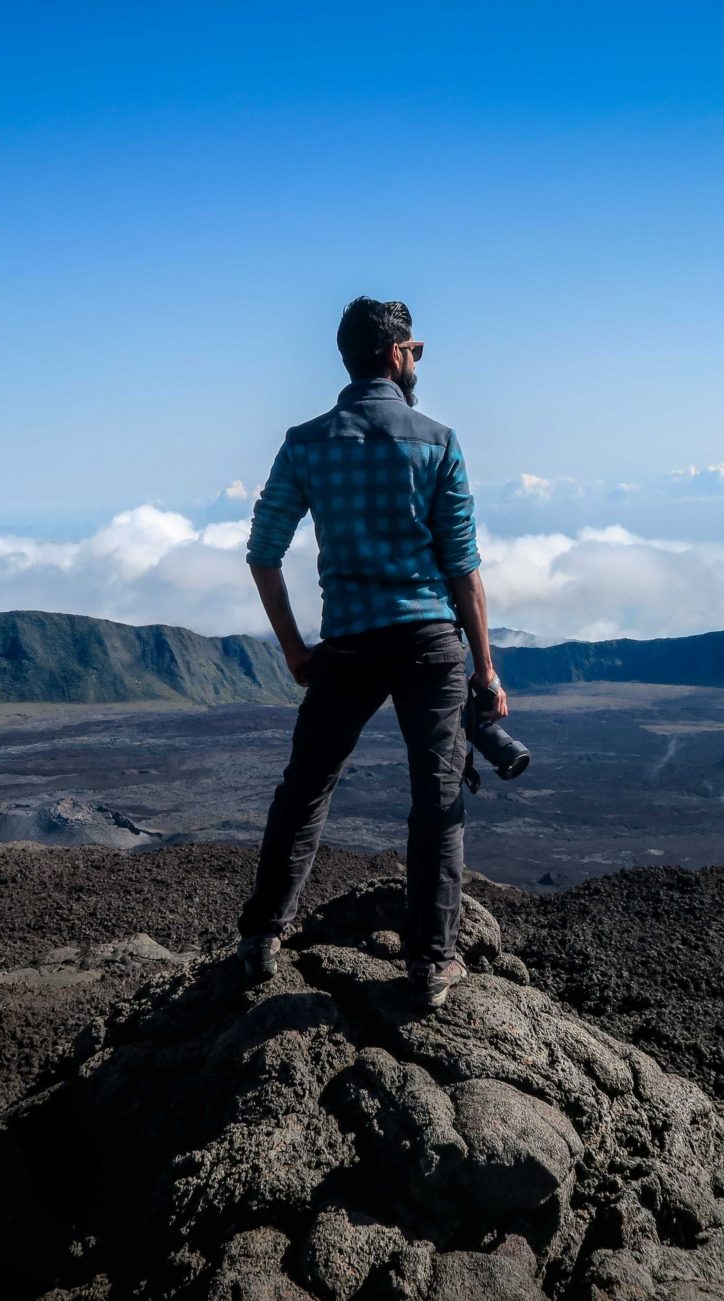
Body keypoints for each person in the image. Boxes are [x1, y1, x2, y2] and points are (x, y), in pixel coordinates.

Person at [236, 296, 508, 1007]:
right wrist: (485, 668)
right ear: (393, 354)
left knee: (306, 787)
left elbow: (264, 553)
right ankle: (431, 963)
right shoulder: (438, 440)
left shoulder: (306, 442)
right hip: (429, 643)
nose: (416, 361)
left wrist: (296, 650)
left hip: (349, 643)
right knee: (438, 798)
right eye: (413, 350)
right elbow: (463, 568)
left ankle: (262, 936)